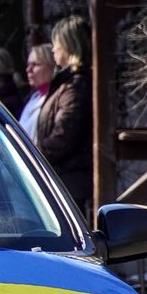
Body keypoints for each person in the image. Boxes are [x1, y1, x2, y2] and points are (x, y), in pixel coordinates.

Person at [38, 15, 93, 211]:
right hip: (64, 180)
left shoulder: (75, 86)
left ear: (69, 45)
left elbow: (64, 136)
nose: (53, 49)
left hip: (71, 184)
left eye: (56, 44)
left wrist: (32, 154)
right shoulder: (66, 83)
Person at [18, 42, 55, 142]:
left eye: (35, 64)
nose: (28, 70)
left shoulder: (55, 100)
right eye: (28, 64)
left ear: (52, 67)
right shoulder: (32, 99)